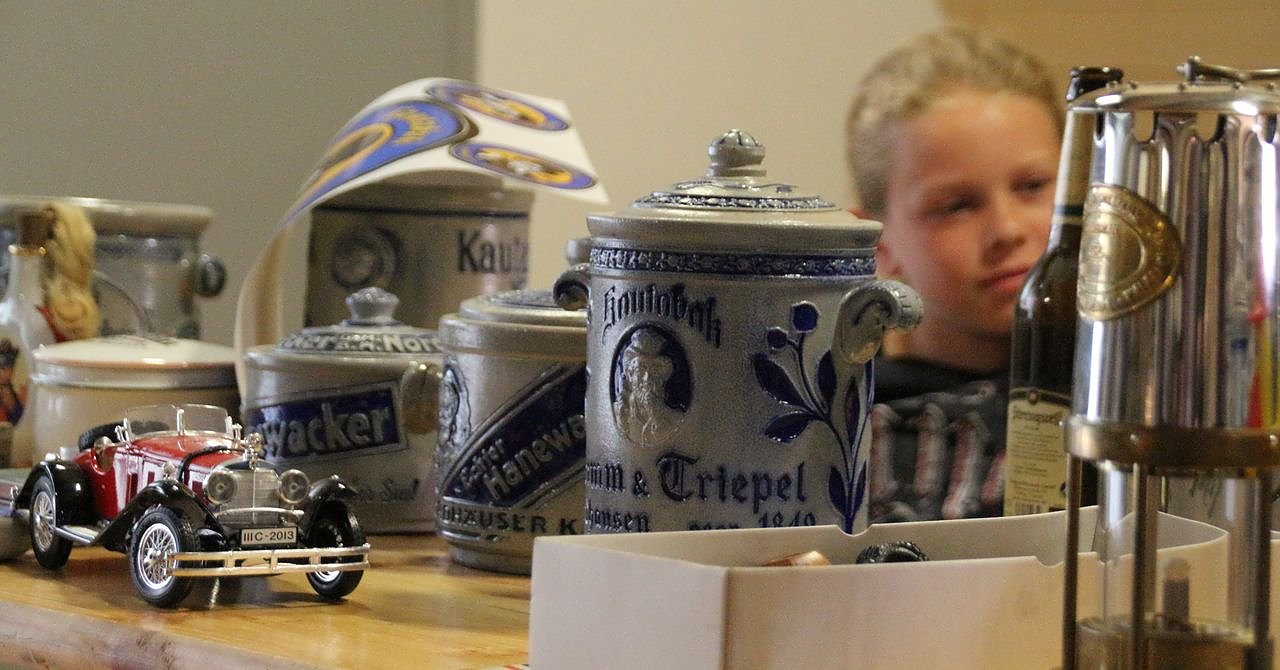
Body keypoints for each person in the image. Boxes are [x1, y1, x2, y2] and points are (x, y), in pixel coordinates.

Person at [845, 26, 1063, 522]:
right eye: (956, 206)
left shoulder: (1136, 398)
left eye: (1033, 186)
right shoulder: (839, 428)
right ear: (876, 242)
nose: (1007, 230)